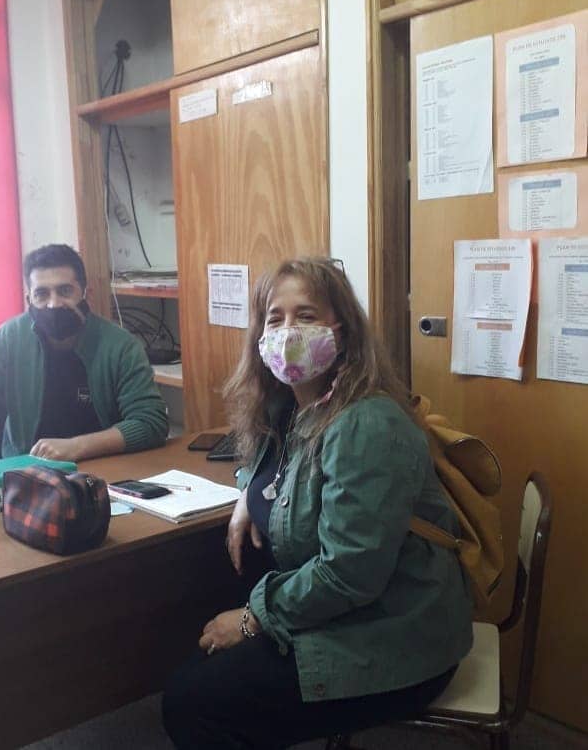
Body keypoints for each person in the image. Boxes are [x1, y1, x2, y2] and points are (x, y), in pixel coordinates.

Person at [162, 257, 473, 749]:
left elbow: (349, 573)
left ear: (341, 331)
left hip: (395, 634)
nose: (288, 332)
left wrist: (250, 619)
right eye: (275, 318)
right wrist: (246, 494)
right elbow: (268, 468)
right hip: (348, 609)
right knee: (195, 605)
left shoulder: (367, 424)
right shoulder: (291, 406)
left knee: (192, 702)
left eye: (305, 316)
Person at [0, 244, 168, 464]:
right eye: (41, 294)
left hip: (103, 467)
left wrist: (76, 447)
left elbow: (151, 421)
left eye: (65, 291)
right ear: (29, 301)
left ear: (86, 294)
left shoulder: (121, 346)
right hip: (27, 471)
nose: (53, 304)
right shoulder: (9, 339)